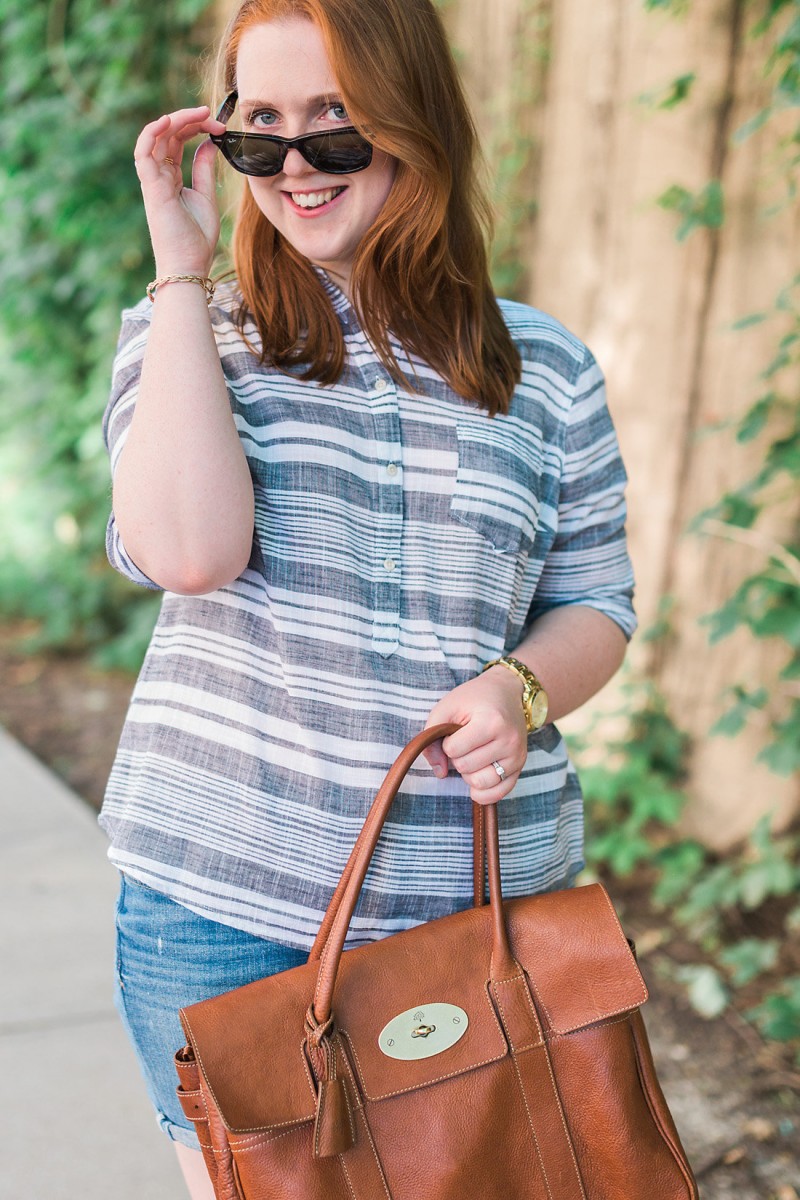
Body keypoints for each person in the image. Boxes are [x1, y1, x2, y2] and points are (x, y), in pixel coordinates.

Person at [102, 0, 636, 1195]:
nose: (295, 169)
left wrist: (520, 686)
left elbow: (596, 602)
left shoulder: (541, 366)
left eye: (335, 130)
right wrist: (179, 269)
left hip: (476, 913)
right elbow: (189, 550)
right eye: (260, 134)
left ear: (415, 127)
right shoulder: (196, 335)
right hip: (226, 912)